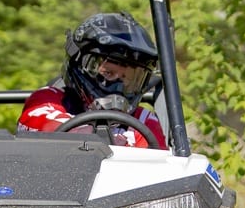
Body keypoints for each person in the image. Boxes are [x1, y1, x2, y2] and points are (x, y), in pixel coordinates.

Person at [17, 12, 166, 149]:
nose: (118, 87)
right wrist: (99, 139)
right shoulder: (46, 100)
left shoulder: (144, 121)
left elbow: (158, 163)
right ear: (80, 63)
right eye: (108, 73)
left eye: (128, 79)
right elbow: (45, 125)